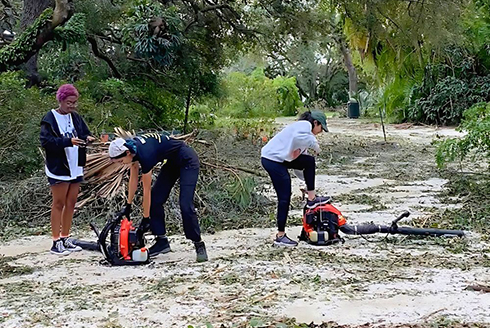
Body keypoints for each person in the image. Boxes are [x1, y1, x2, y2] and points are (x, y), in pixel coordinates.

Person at [108, 132, 208, 262]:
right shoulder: (132, 149)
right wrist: (128, 205)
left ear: (126, 153)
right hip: (172, 162)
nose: (121, 164)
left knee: (185, 204)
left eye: (121, 161)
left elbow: (146, 189)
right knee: (156, 199)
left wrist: (146, 218)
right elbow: (133, 180)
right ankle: (162, 242)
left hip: (187, 160)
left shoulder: (145, 154)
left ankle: (198, 243)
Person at [261, 110, 331, 247]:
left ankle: (312, 198)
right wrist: (316, 146)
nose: (321, 131)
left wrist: (306, 185)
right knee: (284, 196)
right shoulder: (304, 125)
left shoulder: (304, 136)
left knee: (309, 161)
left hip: (281, 159)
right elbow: (300, 138)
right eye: (321, 127)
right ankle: (280, 236)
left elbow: (300, 168)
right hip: (272, 160)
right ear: (315, 123)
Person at [40, 84, 95, 255]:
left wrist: (89, 139)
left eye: (74, 103)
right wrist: (67, 142)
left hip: (75, 165)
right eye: (69, 103)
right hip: (59, 166)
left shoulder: (76, 117)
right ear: (61, 100)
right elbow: (46, 142)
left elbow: (83, 133)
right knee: (59, 203)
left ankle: (65, 237)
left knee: (71, 203)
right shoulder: (49, 118)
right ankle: (56, 241)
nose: (72, 106)